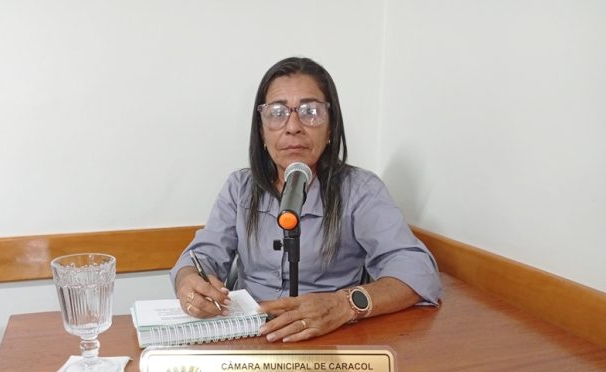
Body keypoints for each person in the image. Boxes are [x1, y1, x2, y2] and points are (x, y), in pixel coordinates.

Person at [170, 56, 441, 342]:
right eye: (277, 113)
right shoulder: (240, 187)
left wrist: (344, 304)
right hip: (253, 337)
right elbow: (202, 257)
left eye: (310, 111)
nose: (293, 127)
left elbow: (418, 270)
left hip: (330, 337)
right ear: (261, 130)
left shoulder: (360, 189)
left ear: (331, 127)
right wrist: (189, 281)